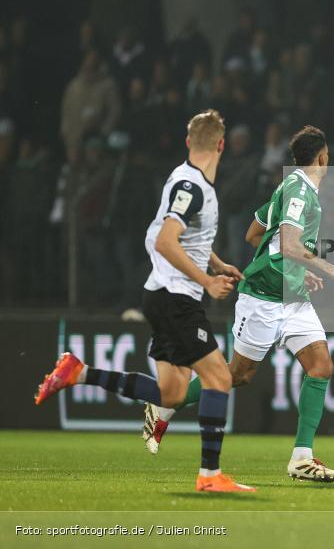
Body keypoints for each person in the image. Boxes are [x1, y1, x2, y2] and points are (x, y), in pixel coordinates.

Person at [36, 110, 255, 493]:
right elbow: (165, 241)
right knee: (219, 377)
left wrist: (217, 262)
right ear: (221, 145)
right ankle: (210, 476)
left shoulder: (183, 178)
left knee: (171, 393)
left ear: (189, 142)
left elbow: (177, 235)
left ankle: (78, 372)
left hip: (160, 295)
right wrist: (206, 280)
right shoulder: (194, 188)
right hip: (175, 299)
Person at [142, 126, 334, 482]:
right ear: (323, 158)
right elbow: (291, 245)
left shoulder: (290, 187)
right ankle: (164, 405)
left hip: (293, 299)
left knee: (321, 365)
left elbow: (254, 234)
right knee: (237, 375)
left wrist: (296, 272)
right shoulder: (299, 192)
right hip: (262, 298)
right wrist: (331, 271)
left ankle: (301, 458)